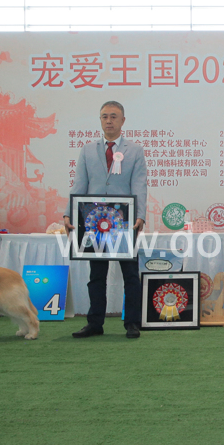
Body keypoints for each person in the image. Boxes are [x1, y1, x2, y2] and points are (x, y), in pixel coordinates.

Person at [64, 101, 147, 339]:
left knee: (130, 275)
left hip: (125, 221)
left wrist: (140, 215)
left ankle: (132, 323)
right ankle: (94, 323)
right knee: (96, 275)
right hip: (93, 222)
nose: (109, 121)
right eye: (104, 117)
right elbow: (79, 183)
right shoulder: (87, 150)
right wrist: (68, 213)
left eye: (113, 116)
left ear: (123, 121)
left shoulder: (135, 150)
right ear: (100, 120)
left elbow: (139, 185)